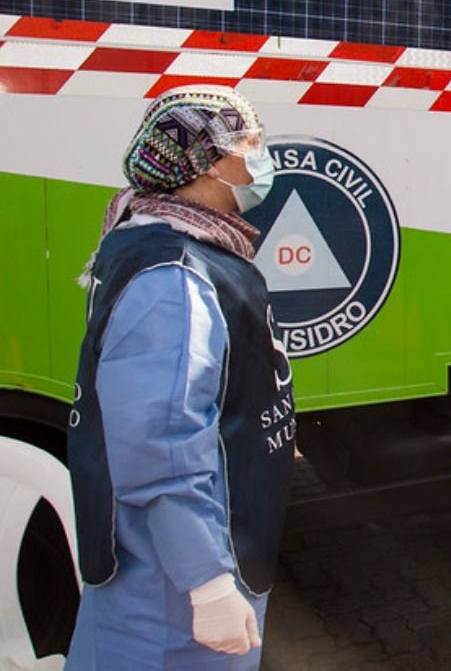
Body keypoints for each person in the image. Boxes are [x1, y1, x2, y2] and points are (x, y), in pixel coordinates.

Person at [66, 85, 296, 670]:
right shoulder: (173, 276)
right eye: (252, 143)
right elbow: (161, 441)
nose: (262, 156)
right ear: (214, 162)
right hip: (166, 599)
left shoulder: (167, 244)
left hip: (172, 578)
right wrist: (208, 584)